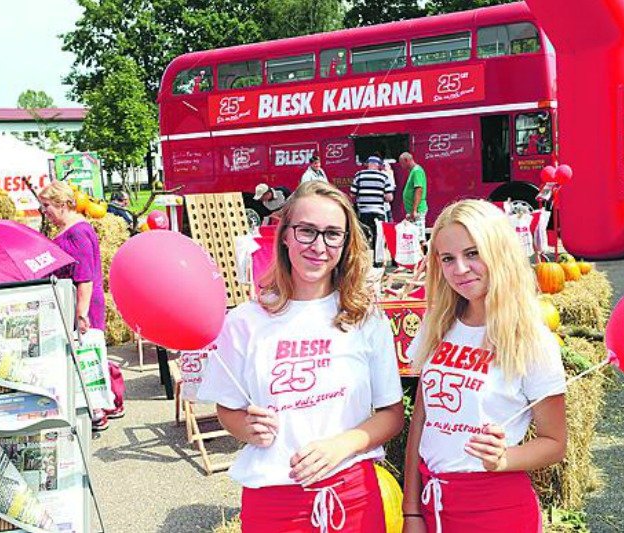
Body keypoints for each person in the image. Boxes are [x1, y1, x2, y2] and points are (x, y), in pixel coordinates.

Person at [199, 181, 404, 533]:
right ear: (285, 235)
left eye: (332, 234)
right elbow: (228, 408)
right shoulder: (244, 322)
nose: (318, 246)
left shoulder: (365, 318)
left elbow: (391, 414)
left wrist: (342, 445)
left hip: (352, 495)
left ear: (345, 243)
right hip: (274, 502)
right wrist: (244, 427)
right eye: (307, 231)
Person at [402, 199, 567, 533]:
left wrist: (504, 458)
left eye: (473, 253)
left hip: (497, 507)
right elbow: (421, 421)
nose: (460, 268)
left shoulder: (531, 339)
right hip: (432, 505)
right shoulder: (437, 325)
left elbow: (554, 442)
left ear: (499, 252)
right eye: (448, 258)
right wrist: (411, 511)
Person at [38, 181, 124, 430]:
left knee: (87, 352)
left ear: (63, 204)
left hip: (82, 301)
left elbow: (84, 276)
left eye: (47, 206)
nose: (45, 212)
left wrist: (81, 313)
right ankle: (107, 401)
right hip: (74, 300)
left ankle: (100, 407)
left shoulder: (77, 232)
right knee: (87, 352)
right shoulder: (68, 229)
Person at [350, 156, 394, 247]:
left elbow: (352, 194)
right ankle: (377, 259)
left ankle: (366, 257)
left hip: (364, 212)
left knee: (364, 236)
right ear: (378, 165)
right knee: (378, 237)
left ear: (368, 164)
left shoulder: (359, 175)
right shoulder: (384, 176)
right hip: (379, 212)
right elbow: (389, 198)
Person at [399, 152, 429, 242]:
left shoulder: (417, 171)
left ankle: (421, 255)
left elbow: (419, 189)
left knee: (419, 238)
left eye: (401, 163)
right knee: (414, 237)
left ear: (406, 160)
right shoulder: (413, 171)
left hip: (418, 211)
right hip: (413, 211)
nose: (401, 166)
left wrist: (414, 210)